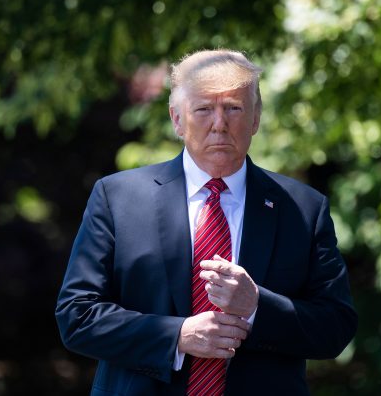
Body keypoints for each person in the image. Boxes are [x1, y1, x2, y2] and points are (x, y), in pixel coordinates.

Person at [55, 49, 357, 395]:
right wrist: (177, 337)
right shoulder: (118, 198)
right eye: (203, 109)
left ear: (255, 118)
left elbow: (336, 326)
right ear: (177, 120)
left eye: (233, 108)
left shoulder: (302, 209)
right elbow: (76, 316)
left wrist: (257, 306)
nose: (219, 124)